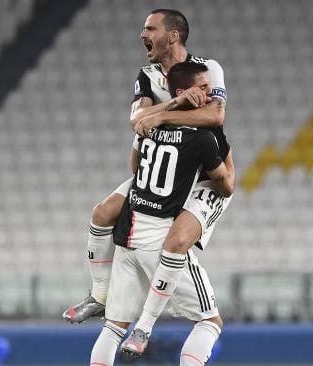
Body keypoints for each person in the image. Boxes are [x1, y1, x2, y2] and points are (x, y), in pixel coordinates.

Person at [63, 8, 230, 326]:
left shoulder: (208, 70)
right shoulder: (146, 77)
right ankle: (100, 295)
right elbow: (136, 121)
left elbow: (215, 116)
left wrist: (161, 115)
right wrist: (174, 105)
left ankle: (159, 317)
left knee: (177, 242)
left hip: (200, 172)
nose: (143, 34)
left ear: (173, 36)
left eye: (150, 28)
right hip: (159, 169)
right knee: (102, 213)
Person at [90, 62, 235, 366]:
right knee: (210, 322)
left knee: (113, 327)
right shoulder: (203, 137)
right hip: (161, 242)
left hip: (127, 237)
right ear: (185, 92)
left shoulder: (147, 124)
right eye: (205, 87)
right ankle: (146, 329)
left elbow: (134, 167)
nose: (212, 93)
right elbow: (225, 185)